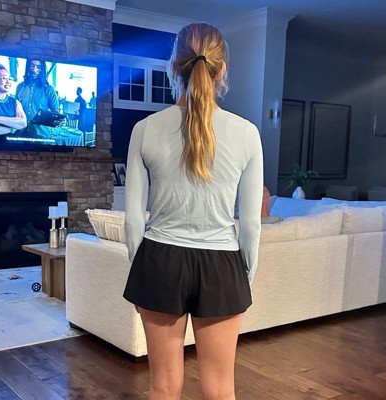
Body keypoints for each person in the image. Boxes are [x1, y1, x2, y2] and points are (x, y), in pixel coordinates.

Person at [123, 23, 263, 399]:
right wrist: (244, 274)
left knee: (163, 388)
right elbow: (251, 223)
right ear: (223, 70)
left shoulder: (144, 129)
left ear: (173, 67)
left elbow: (133, 219)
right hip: (222, 264)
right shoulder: (247, 133)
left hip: (159, 261)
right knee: (220, 390)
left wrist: (142, 272)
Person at [15, 59, 60, 139]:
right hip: (20, 134)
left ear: (42, 69)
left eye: (38, 67)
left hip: (41, 136)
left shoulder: (49, 89)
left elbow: (56, 112)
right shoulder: (20, 87)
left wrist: (55, 118)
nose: (34, 70)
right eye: (32, 65)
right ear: (27, 67)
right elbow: (15, 109)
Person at [0, 62, 27, 143]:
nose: (8, 82)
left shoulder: (15, 102)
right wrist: (12, 128)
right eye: (4, 78)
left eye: (10, 78)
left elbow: (23, 123)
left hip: (13, 146)